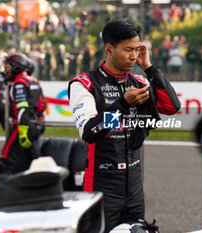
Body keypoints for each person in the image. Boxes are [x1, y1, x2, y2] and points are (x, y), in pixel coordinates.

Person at [68, 19, 181, 233]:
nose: (133, 56)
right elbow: (90, 132)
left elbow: (172, 106)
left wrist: (148, 67)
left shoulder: (139, 82)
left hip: (134, 186)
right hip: (102, 185)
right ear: (109, 49)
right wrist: (123, 104)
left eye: (137, 49)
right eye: (128, 50)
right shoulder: (84, 84)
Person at [0, 53, 46, 206]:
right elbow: (42, 106)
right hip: (35, 126)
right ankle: (42, 197)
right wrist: (37, 125)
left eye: (8, 67)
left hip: (23, 126)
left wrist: (22, 130)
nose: (6, 70)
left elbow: (22, 108)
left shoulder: (19, 83)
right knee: (36, 162)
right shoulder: (34, 80)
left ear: (16, 66)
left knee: (4, 163)